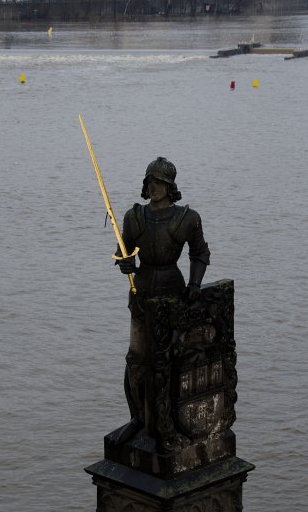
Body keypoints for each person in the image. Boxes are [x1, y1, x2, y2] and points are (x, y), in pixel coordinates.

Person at [114, 156, 210, 442]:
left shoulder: (187, 219)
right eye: (150, 182)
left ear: (170, 186)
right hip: (141, 294)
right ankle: (138, 419)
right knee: (136, 360)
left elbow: (200, 253)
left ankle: (169, 423)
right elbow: (123, 252)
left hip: (172, 293)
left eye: (159, 183)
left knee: (168, 361)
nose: (153, 187)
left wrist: (195, 284)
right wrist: (126, 263)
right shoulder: (134, 217)